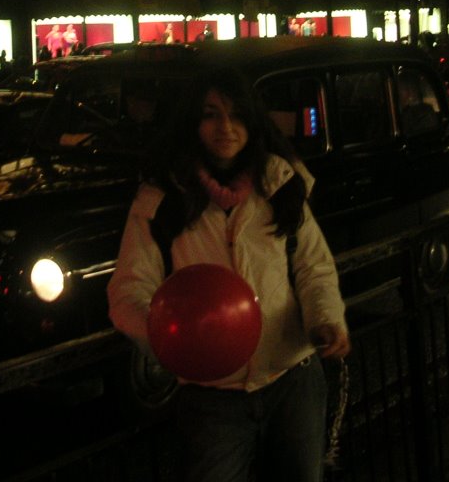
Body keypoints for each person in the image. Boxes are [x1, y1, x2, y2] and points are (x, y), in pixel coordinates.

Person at [108, 66, 350, 482]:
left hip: (291, 377)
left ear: (253, 123)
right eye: (211, 114)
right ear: (191, 121)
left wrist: (325, 319)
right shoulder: (162, 198)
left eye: (237, 115)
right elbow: (130, 287)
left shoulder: (280, 185)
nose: (226, 127)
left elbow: (313, 266)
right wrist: (169, 343)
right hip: (210, 397)